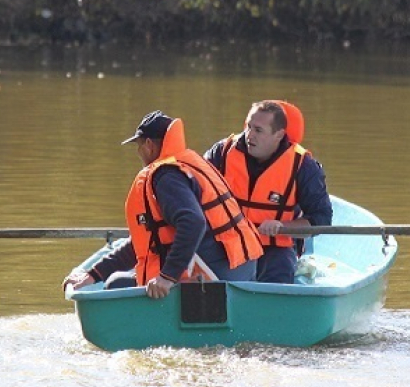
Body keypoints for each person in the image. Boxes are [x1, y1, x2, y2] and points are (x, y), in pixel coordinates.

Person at [63, 110, 263, 299]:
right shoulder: (189, 162)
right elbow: (146, 242)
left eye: (138, 146)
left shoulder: (166, 176)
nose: (138, 152)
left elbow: (193, 222)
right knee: (117, 279)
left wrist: (167, 277)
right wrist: (94, 274)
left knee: (116, 285)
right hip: (241, 271)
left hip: (213, 278)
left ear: (149, 144)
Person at [204, 100, 332, 284]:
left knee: (276, 279)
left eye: (258, 130)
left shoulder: (303, 166)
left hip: (273, 247)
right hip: (227, 242)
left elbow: (321, 219)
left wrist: (282, 227)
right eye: (248, 127)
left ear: (279, 135)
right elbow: (192, 192)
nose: (249, 135)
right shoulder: (221, 153)